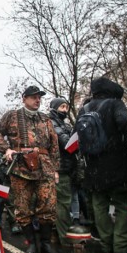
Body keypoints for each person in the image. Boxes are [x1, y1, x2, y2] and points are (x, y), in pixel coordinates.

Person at [78, 79, 127, 253]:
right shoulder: (115, 104)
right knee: (124, 204)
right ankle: (121, 248)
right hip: (117, 166)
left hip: (93, 168)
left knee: (99, 207)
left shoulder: (85, 109)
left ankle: (106, 245)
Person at [0, 86, 60, 253]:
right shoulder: (12, 115)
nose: (37, 100)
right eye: (33, 97)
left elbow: (54, 145)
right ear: (24, 98)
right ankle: (32, 244)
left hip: (44, 166)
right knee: (22, 208)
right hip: (20, 167)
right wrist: (6, 149)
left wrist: (55, 169)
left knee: (48, 205)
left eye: (39, 97)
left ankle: (46, 243)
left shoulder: (46, 119)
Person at [49, 98, 88, 245]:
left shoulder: (63, 124)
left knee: (71, 198)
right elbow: (66, 142)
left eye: (66, 106)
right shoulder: (52, 123)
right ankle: (65, 238)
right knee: (63, 203)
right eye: (62, 107)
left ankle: (65, 230)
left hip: (69, 167)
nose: (65, 110)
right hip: (61, 168)